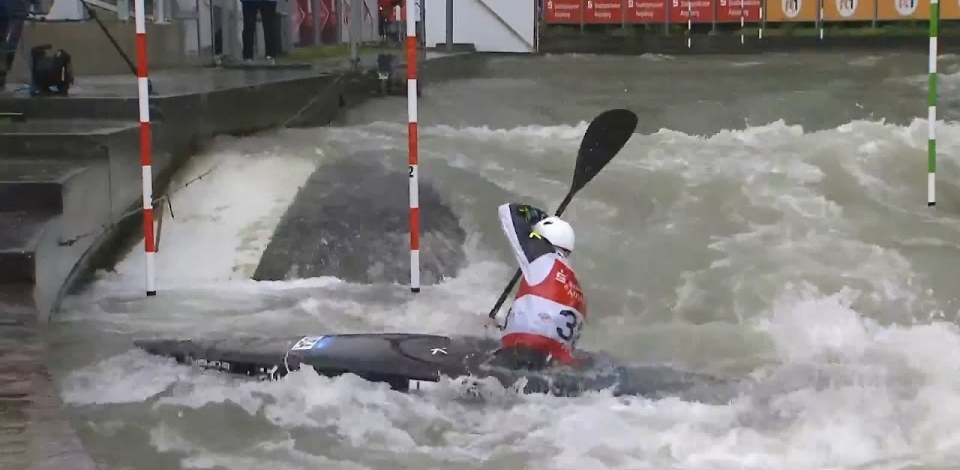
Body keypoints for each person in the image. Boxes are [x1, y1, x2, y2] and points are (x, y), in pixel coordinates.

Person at [494, 203, 586, 370]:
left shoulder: (543, 255)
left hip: (521, 355)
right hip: (552, 366)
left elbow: (507, 211)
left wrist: (538, 216)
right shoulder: (575, 286)